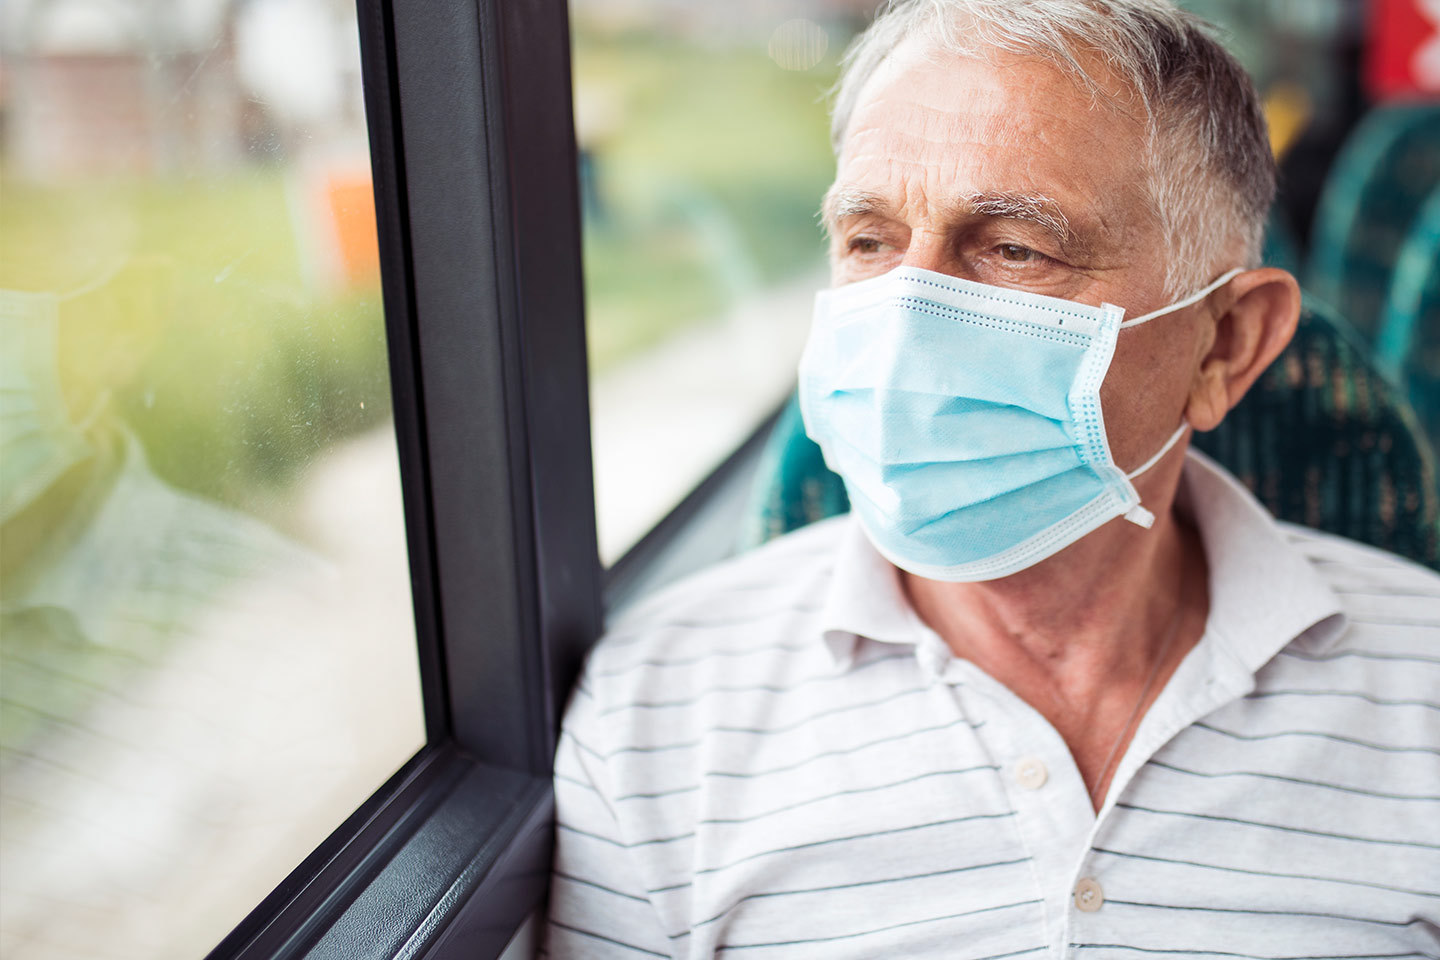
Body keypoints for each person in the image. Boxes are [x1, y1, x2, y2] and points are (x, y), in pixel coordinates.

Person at [543, 1, 1440, 956]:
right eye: (870, 242)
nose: (905, 321)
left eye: (1015, 248)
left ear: (1224, 343)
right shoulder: (655, 712)